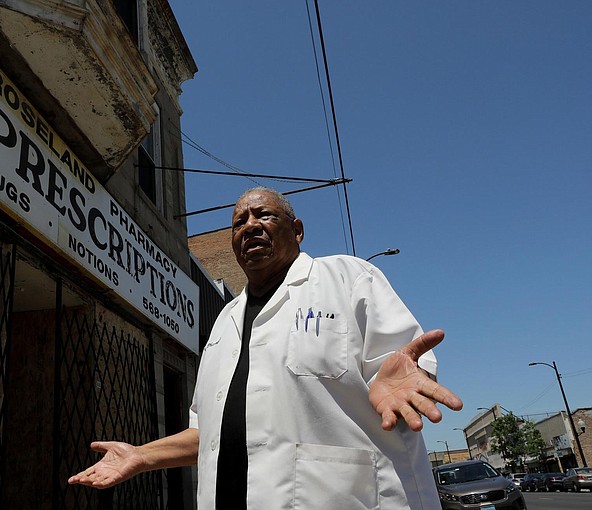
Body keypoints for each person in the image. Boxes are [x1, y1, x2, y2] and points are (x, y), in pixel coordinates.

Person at [69, 187, 463, 509]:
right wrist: (142, 456)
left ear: (298, 230)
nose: (250, 226)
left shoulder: (348, 279)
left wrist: (409, 379)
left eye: (264, 215)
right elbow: (208, 434)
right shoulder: (224, 323)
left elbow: (402, 365)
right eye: (240, 221)